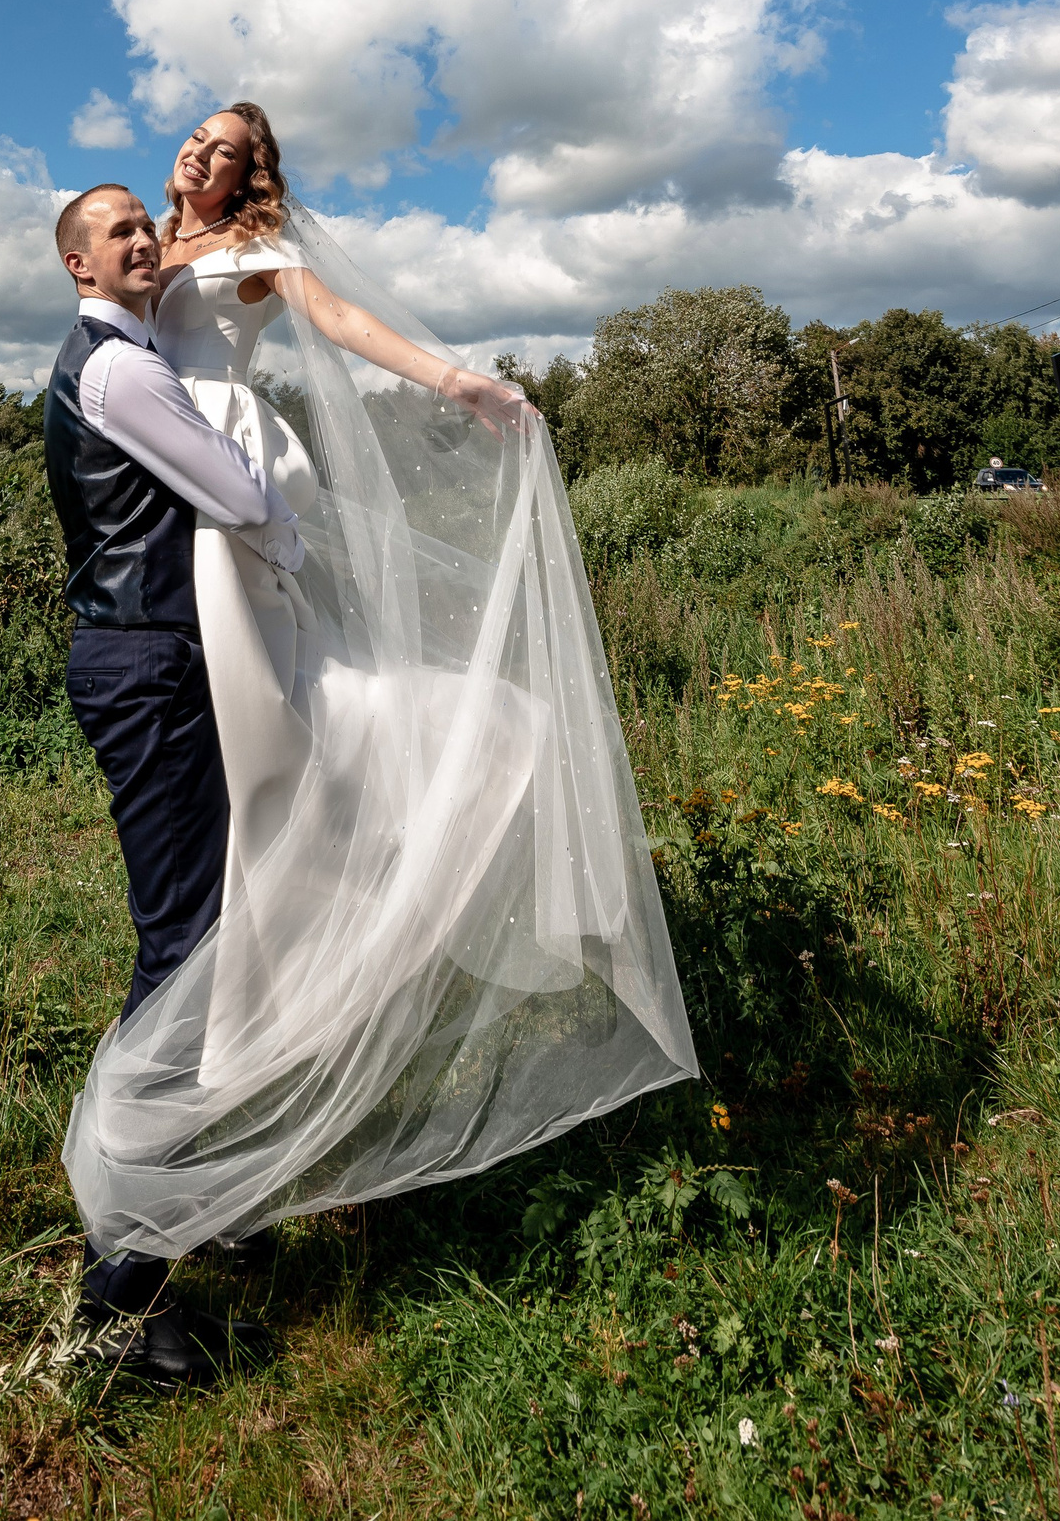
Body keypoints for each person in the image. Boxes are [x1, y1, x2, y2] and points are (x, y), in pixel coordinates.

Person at [62, 103, 697, 1285]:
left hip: (224, 478)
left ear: (250, 172)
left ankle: (211, 1118)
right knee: (222, 823)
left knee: (277, 733)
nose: (202, 151)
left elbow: (344, 322)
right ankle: (204, 1132)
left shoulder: (253, 252)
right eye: (196, 134)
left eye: (227, 146)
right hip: (164, 503)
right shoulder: (143, 254)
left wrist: (455, 379)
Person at [45, 178, 297, 1386]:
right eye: (118, 232)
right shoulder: (122, 372)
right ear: (79, 266)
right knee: (183, 950)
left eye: (148, 222)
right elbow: (239, 495)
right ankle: (117, 1293)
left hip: (154, 657)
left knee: (208, 927)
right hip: (146, 664)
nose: (144, 238)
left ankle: (197, 1196)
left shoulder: (130, 356)